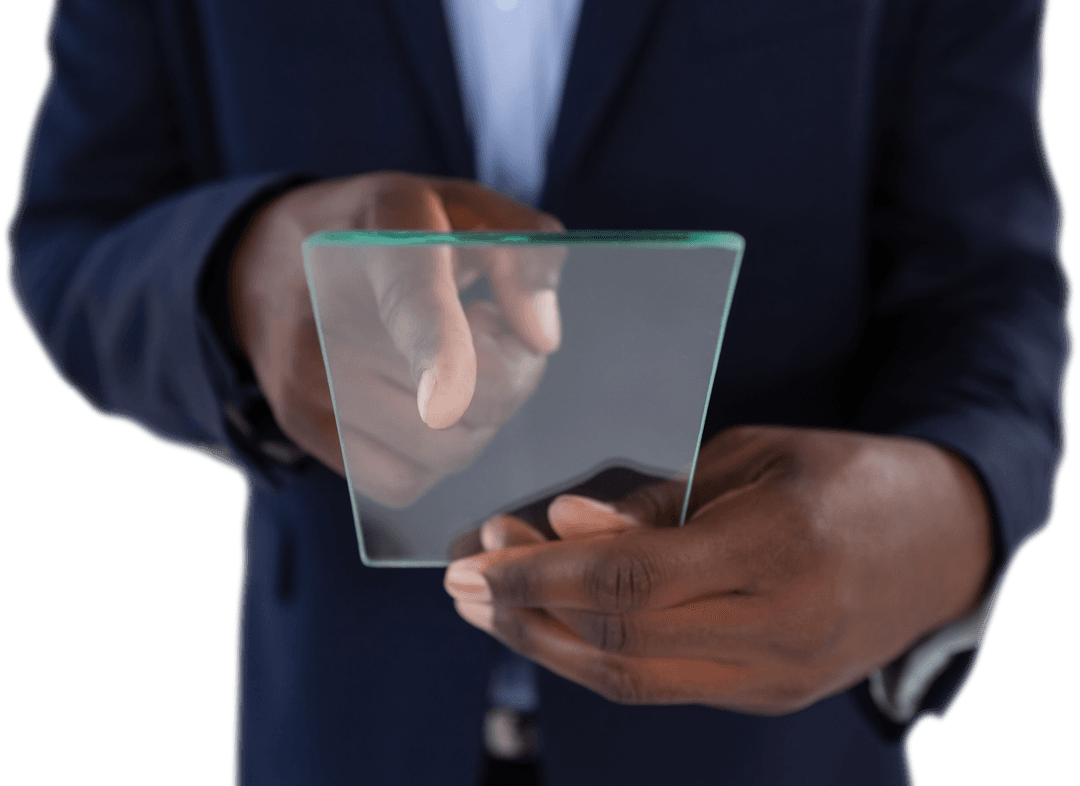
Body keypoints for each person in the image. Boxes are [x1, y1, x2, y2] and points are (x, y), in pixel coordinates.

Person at [4, 1, 1068, 785]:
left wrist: (948, 521)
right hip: (346, 729)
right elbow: (72, 236)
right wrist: (241, 279)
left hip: (767, 752)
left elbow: (990, 292)